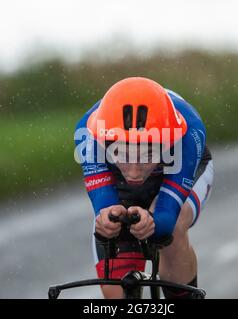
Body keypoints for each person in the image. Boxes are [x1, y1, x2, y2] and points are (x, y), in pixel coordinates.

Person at [74, 77, 214, 299]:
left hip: (174, 171)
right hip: (118, 181)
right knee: (113, 226)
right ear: (106, 142)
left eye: (148, 154)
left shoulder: (190, 131)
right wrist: (110, 218)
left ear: (168, 142)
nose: (134, 172)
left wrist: (156, 223)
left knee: (173, 228)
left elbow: (166, 218)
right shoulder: (88, 133)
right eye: (123, 155)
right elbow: (105, 206)